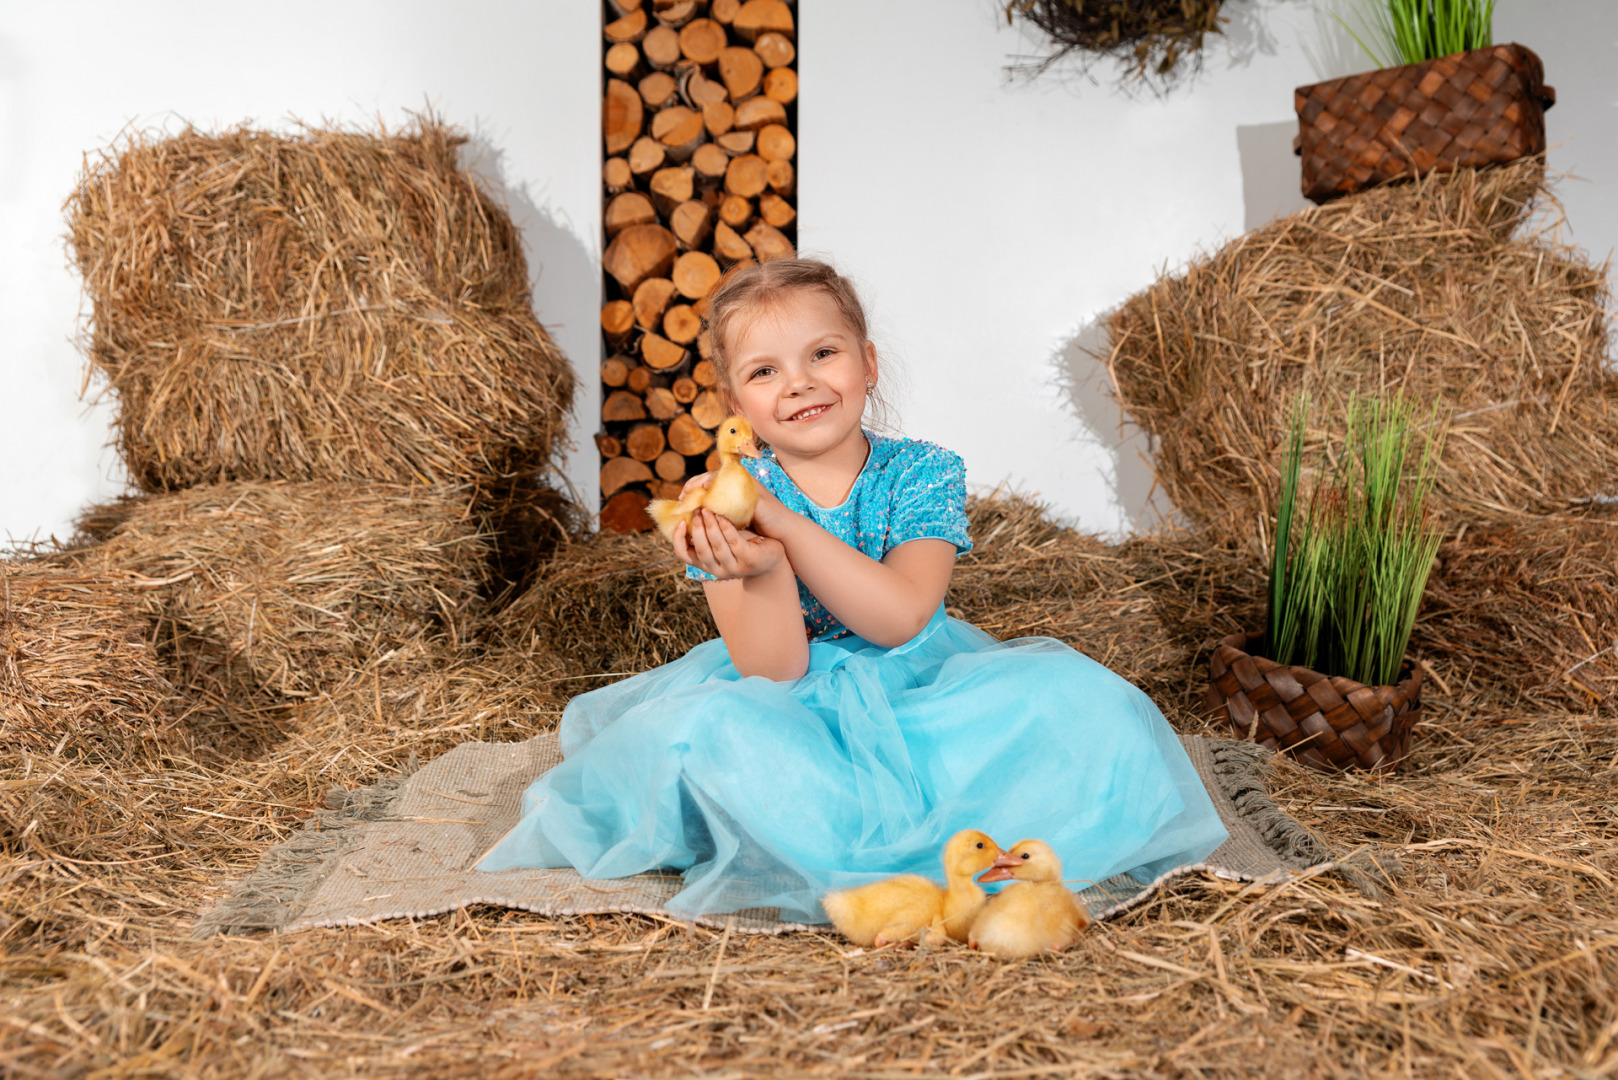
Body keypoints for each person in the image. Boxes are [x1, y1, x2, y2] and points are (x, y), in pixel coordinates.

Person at [477, 258, 1227, 922]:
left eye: (823, 354)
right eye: (764, 371)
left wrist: (780, 524)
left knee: (1085, 701)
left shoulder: (922, 471)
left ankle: (927, 836)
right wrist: (758, 568)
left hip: (927, 687)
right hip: (800, 707)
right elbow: (774, 674)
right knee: (715, 739)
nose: (799, 382)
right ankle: (852, 848)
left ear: (867, 363)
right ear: (735, 399)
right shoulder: (721, 498)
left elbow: (902, 617)